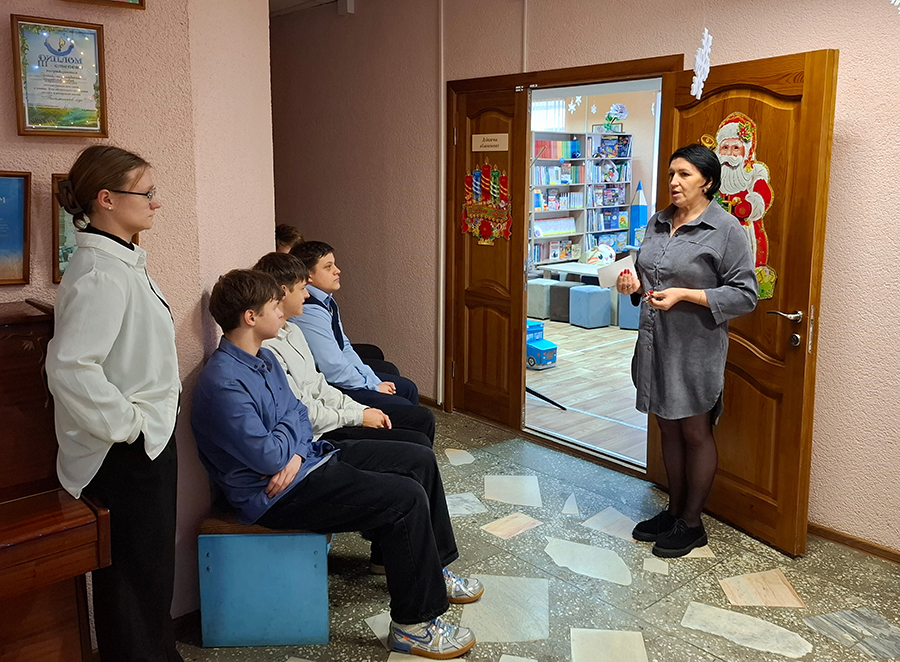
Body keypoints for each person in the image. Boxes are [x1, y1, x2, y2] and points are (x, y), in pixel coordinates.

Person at [191, 269, 482, 659]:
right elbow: (268, 456)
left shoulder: (264, 358)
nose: (282, 311)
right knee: (405, 498)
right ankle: (413, 626)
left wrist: (294, 451)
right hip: (274, 495)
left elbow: (297, 413)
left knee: (418, 458)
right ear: (250, 317)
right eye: (274, 305)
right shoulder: (224, 381)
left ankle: (435, 570)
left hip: (306, 462)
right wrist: (290, 446)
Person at [46, 145, 183, 661]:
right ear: (106, 199)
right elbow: (70, 367)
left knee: (150, 577)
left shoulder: (122, 260)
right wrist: (131, 426)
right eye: (146, 193)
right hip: (123, 453)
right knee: (133, 580)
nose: (156, 203)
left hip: (144, 442)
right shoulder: (100, 273)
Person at [616, 144, 757, 558]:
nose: (674, 182)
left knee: (695, 432)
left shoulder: (726, 229)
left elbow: (745, 294)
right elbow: (647, 277)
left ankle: (692, 524)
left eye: (684, 175)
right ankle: (674, 511)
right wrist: (633, 286)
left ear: (707, 182)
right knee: (668, 429)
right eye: (671, 174)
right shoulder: (659, 222)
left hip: (695, 348)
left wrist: (685, 294)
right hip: (654, 343)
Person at [253, 251, 436, 445]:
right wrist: (359, 413)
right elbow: (312, 397)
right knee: (416, 432)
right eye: (303, 288)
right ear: (283, 292)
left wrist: (361, 408)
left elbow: (322, 380)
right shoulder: (268, 349)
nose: (307, 294)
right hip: (317, 433)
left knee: (417, 417)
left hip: (330, 413)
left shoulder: (294, 330)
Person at [289, 240, 421, 409]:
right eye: (328, 267)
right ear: (308, 276)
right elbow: (332, 366)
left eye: (334, 264)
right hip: (330, 386)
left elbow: (344, 346)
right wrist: (372, 386)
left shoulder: (327, 300)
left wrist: (372, 379)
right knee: (406, 397)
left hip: (338, 374)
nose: (337, 270)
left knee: (403, 385)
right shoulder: (309, 310)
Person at [708, 112, 777, 298]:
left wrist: (750, 205)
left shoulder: (754, 173)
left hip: (746, 230)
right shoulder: (713, 175)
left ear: (746, 151)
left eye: (736, 148)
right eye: (725, 148)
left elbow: (763, 194)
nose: (729, 155)